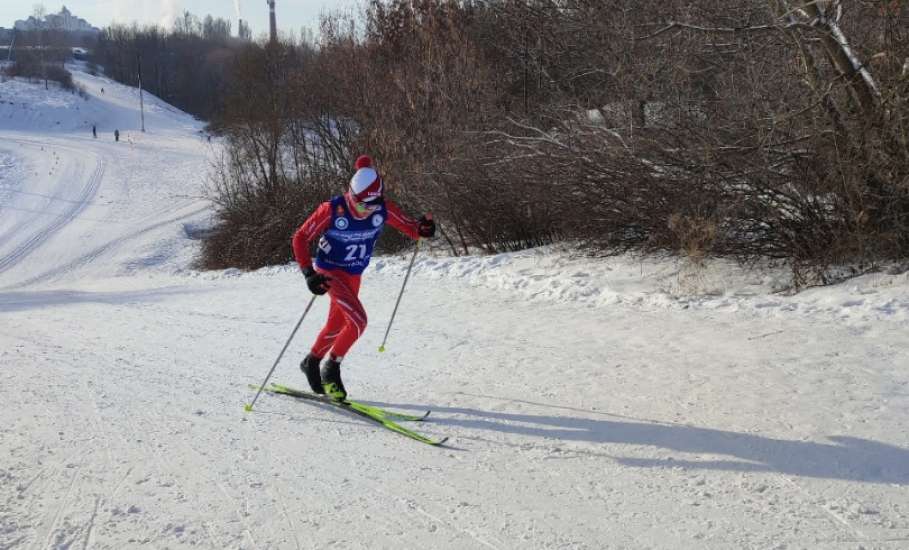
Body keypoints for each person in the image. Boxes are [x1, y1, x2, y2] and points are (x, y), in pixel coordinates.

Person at [291, 155, 435, 400]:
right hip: (329, 272)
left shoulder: (382, 209)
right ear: (350, 195)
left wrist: (423, 229)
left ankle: (312, 361)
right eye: (360, 205)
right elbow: (300, 238)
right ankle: (331, 368)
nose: (365, 210)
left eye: (371, 205)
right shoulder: (332, 210)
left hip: (353, 274)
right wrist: (309, 274)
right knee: (358, 321)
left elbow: (413, 229)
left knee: (337, 325)